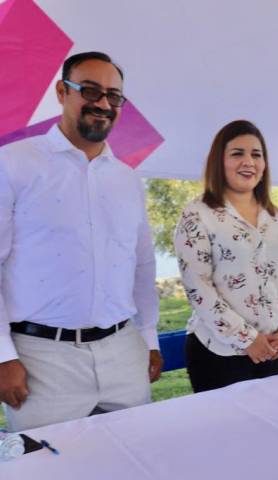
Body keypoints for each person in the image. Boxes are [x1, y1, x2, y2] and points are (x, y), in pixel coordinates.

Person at [0, 51, 163, 431]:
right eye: (90, 90)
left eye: (114, 96)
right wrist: (2, 356)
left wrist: (149, 339)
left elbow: (142, 266)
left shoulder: (127, 178)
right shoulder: (12, 163)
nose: (103, 104)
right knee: (49, 461)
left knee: (135, 454)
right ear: (62, 92)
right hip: (40, 360)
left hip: (124, 352)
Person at [174, 120, 278, 392]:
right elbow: (198, 287)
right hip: (219, 355)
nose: (249, 162)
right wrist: (247, 339)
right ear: (219, 161)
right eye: (237, 153)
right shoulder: (197, 214)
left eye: (256, 154)